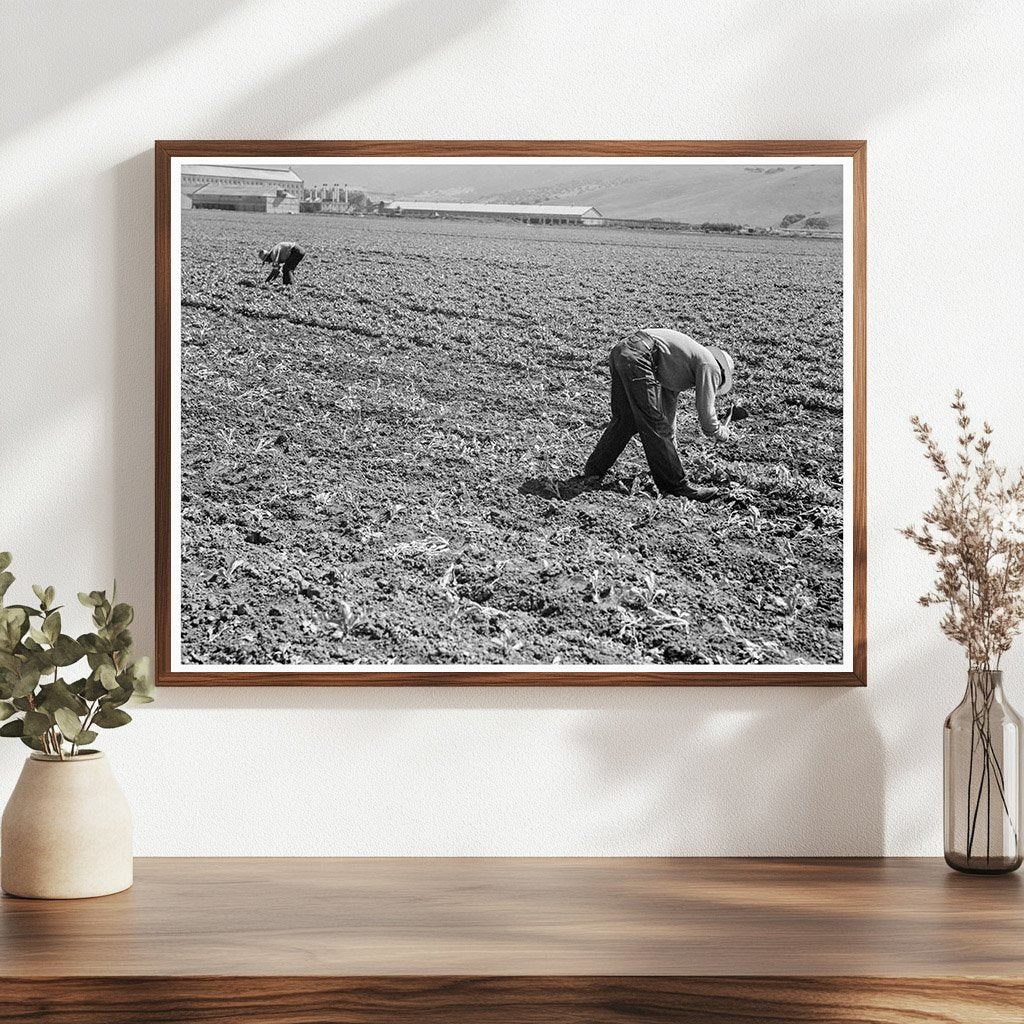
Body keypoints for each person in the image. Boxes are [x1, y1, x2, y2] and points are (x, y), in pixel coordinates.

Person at [583, 328, 736, 500]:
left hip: (623, 351)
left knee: (626, 421)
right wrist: (721, 433)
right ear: (721, 373)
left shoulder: (682, 363)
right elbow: (706, 416)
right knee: (652, 423)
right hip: (639, 355)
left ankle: (594, 471)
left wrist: (671, 453)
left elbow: (667, 414)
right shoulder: (710, 366)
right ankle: (676, 487)